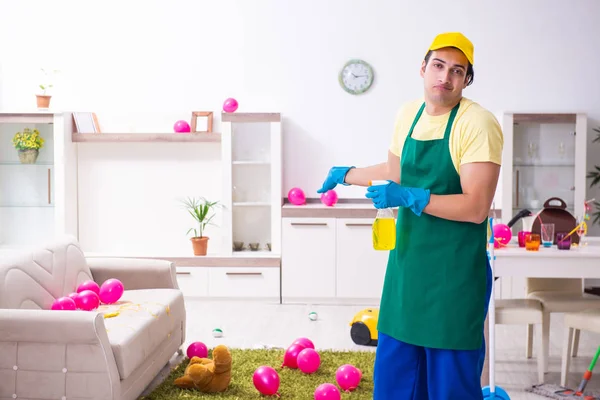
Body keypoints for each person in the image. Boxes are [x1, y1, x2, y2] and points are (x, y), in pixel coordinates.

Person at [317, 32, 504, 399]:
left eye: (457, 71)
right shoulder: (408, 114)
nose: (445, 77)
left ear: (466, 80)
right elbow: (396, 171)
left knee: (449, 388)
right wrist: (349, 174)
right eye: (438, 65)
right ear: (422, 68)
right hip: (406, 272)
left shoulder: (477, 123)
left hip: (453, 278)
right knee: (394, 384)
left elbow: (476, 206)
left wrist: (412, 197)